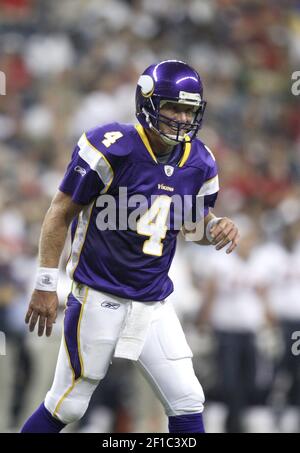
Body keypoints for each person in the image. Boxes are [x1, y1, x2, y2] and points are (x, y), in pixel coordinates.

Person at [21, 60, 239, 434]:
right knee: (68, 405)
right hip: (99, 294)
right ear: (148, 102)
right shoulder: (112, 147)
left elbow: (191, 224)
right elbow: (59, 213)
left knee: (187, 399)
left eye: (189, 110)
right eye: (173, 107)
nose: (182, 118)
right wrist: (45, 282)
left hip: (153, 302)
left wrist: (215, 227)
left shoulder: (200, 161)